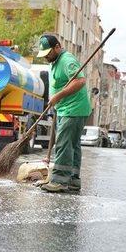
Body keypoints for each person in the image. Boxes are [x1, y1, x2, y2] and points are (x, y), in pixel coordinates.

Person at [36, 35, 91, 193]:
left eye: (48, 52)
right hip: (66, 109)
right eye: (44, 53)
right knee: (72, 145)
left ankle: (59, 181)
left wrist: (58, 97)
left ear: (57, 47)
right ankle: (73, 180)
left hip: (73, 109)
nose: (46, 56)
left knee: (63, 144)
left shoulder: (67, 60)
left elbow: (80, 81)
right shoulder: (55, 62)